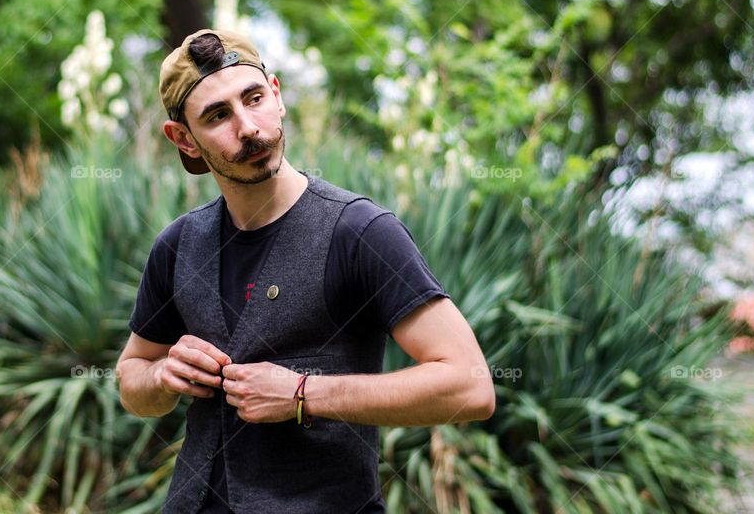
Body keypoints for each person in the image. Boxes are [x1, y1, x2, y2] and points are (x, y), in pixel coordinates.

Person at [116, 29, 495, 514]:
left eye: (253, 99)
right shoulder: (177, 246)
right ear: (184, 141)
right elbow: (132, 378)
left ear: (276, 95)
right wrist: (163, 377)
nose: (248, 127)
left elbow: (470, 384)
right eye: (218, 116)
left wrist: (302, 393)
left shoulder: (360, 231)